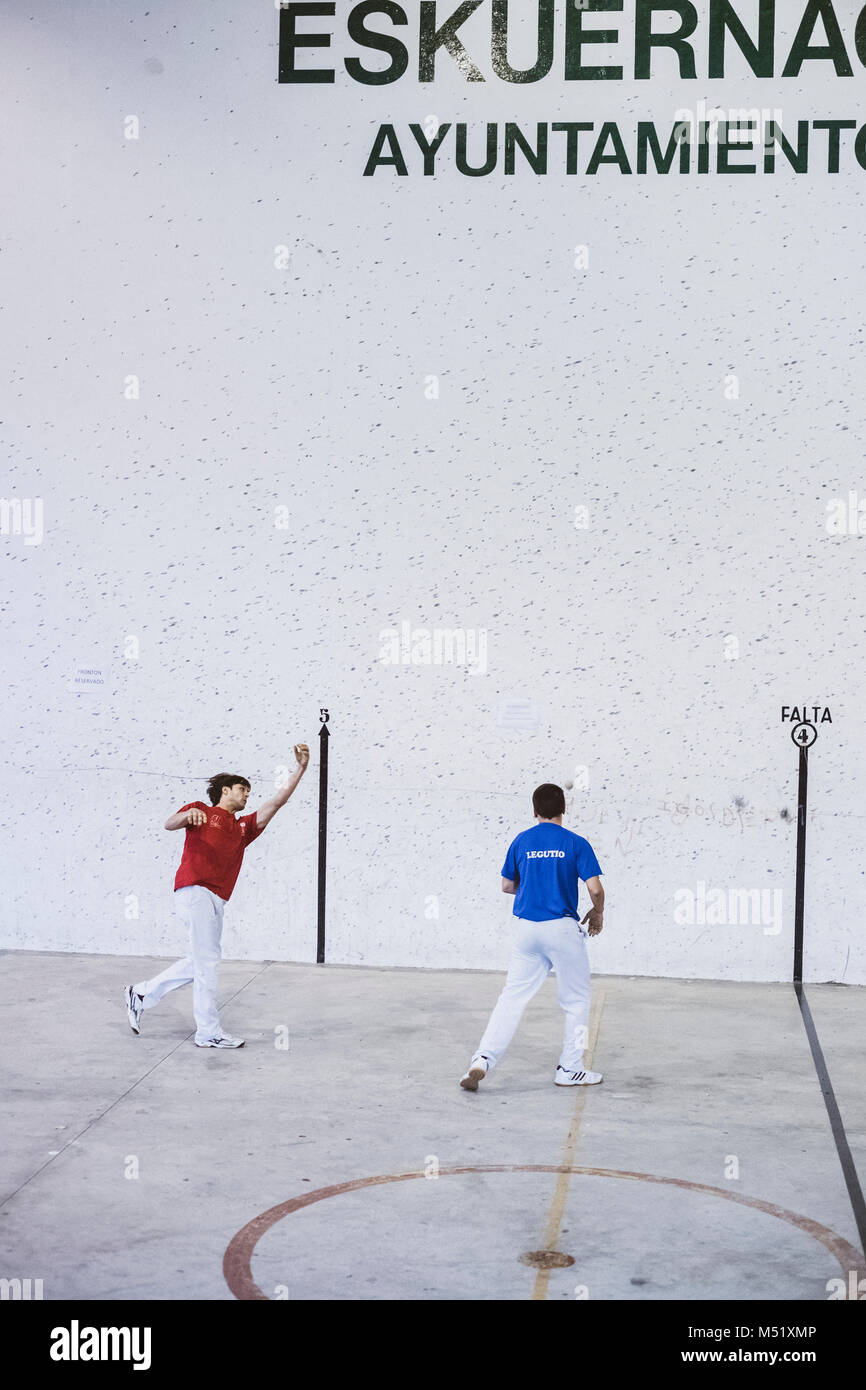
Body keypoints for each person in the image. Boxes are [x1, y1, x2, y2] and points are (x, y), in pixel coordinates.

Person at [124, 745, 309, 1048]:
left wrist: (300, 769)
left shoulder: (243, 828)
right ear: (225, 791)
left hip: (216, 899)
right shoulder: (202, 809)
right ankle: (208, 1032)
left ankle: (142, 993)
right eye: (242, 789)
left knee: (201, 960)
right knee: (207, 963)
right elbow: (168, 823)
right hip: (195, 890)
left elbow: (277, 802)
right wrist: (187, 816)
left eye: (249, 792)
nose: (247, 795)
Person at [460, 782, 605, 1090]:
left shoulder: (522, 841)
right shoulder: (576, 843)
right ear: (564, 809)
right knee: (577, 1001)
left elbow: (507, 886)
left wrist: (533, 885)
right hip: (562, 929)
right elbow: (595, 889)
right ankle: (571, 1069)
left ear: (535, 811)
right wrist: (598, 912)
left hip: (526, 930)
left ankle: (481, 1060)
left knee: (511, 998)